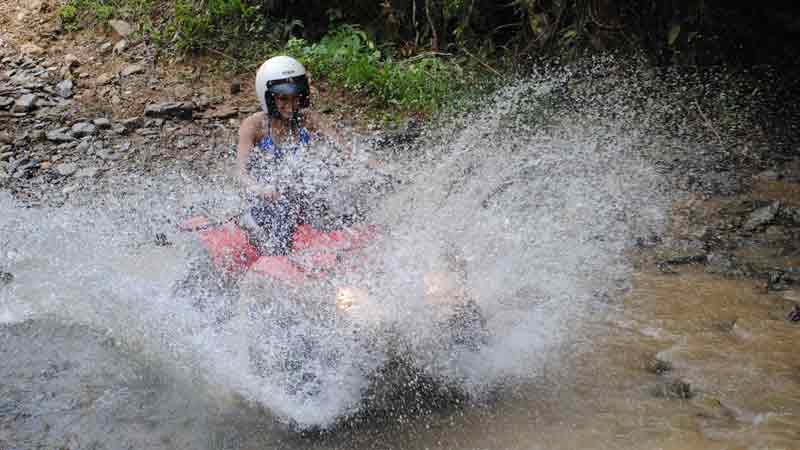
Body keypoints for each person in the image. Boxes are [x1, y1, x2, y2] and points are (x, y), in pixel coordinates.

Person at [237, 55, 350, 255]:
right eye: (283, 98)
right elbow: (242, 174)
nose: (291, 105)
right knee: (283, 209)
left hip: (298, 197)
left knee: (339, 202)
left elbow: (346, 150)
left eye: (296, 97)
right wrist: (261, 188)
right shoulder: (254, 126)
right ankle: (276, 258)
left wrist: (377, 169)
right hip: (265, 202)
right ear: (268, 97)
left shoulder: (308, 119)